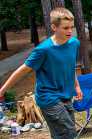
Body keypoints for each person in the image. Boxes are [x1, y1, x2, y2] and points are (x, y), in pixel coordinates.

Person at [0, 8, 82, 139]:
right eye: (65, 28)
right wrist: (2, 91)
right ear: (54, 27)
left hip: (66, 95)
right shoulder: (43, 50)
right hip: (48, 97)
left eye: (71, 27)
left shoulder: (74, 43)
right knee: (69, 133)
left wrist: (76, 86)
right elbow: (23, 70)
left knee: (61, 135)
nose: (70, 31)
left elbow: (70, 67)